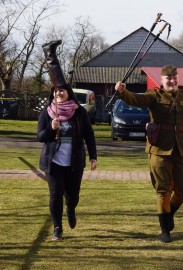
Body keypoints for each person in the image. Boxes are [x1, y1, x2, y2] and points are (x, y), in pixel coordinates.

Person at [115, 65, 183, 243]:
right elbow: (136, 99)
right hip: (159, 149)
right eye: (168, 78)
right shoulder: (154, 95)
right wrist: (123, 92)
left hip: (181, 149)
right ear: (162, 80)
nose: (171, 81)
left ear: (178, 79)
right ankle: (165, 229)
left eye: (174, 78)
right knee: (163, 190)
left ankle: (168, 214)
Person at [38, 40, 97, 241]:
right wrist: (50, 128)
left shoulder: (79, 112)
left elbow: (89, 135)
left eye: (62, 90)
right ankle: (57, 227)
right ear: (53, 94)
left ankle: (71, 210)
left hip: (74, 162)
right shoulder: (47, 113)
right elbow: (40, 137)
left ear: (68, 92)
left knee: (72, 197)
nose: (59, 92)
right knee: (55, 194)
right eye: (56, 90)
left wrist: (93, 156)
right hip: (53, 162)